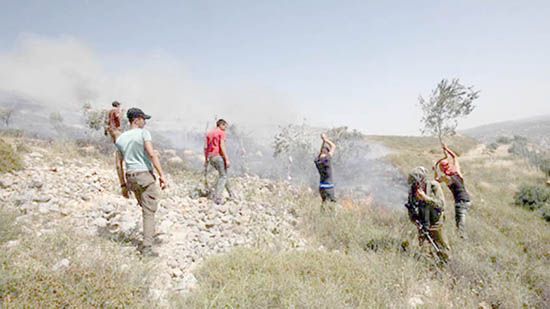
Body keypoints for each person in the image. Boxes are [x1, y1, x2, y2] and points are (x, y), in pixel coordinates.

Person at [115, 107, 167, 256]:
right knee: (149, 211)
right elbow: (151, 154)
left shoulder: (120, 138)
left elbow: (118, 164)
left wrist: (123, 185)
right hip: (144, 175)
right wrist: (162, 175)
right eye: (143, 119)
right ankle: (147, 248)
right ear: (136, 120)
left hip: (131, 177)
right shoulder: (144, 133)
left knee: (145, 208)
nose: (145, 122)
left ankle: (148, 236)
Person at [406, 166, 450, 262]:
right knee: (425, 250)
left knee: (443, 248)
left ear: (422, 180)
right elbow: (411, 207)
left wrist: (425, 198)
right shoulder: (412, 190)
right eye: (414, 183)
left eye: (417, 183)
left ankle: (446, 265)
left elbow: (441, 205)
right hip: (422, 223)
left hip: (435, 222)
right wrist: (415, 221)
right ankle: (429, 266)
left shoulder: (434, 186)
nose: (415, 185)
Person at [434, 144, 472, 237]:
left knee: (460, 227)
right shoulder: (457, 172)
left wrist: (435, 170)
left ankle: (463, 242)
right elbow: (454, 157)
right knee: (461, 224)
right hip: (467, 200)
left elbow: (437, 180)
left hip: (460, 202)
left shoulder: (447, 178)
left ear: (442, 169)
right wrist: (447, 149)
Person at [204, 119, 233, 204]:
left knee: (223, 174)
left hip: (211, 157)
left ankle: (231, 194)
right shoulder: (221, 133)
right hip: (218, 156)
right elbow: (222, 145)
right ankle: (217, 197)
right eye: (225, 126)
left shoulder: (209, 133)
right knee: (223, 176)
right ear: (221, 125)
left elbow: (206, 148)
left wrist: (206, 160)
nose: (225, 129)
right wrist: (226, 158)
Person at [314, 133, 336, 209]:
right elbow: (333, 146)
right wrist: (326, 140)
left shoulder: (317, 161)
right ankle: (331, 219)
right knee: (332, 206)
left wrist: (323, 142)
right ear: (327, 152)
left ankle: (321, 217)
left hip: (321, 187)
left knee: (324, 203)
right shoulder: (327, 159)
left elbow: (321, 152)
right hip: (329, 188)